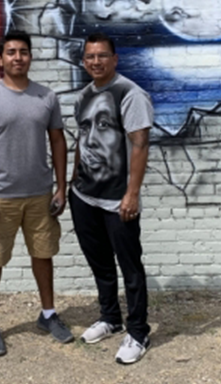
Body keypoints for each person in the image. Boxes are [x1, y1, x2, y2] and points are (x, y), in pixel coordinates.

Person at [0, 30, 73, 357]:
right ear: (0, 58)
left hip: (40, 194)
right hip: (0, 198)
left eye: (23, 52)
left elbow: (58, 142)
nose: (18, 57)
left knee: (43, 254)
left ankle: (48, 314)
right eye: (11, 52)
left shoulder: (46, 97)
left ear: (30, 57)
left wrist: (61, 187)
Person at [69, 32, 154, 365]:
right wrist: (72, 180)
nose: (95, 62)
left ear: (114, 59)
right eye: (89, 57)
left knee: (130, 267)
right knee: (100, 263)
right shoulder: (84, 96)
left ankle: (138, 331)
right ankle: (110, 317)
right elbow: (81, 140)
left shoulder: (129, 94)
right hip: (84, 195)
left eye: (102, 56)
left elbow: (140, 145)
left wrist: (132, 194)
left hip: (117, 200)